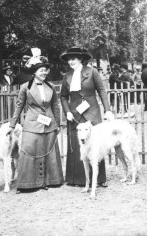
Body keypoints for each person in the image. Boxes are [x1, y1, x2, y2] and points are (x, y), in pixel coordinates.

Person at [7, 49, 64, 192]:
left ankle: (51, 180)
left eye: (45, 71)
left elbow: (55, 106)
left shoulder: (50, 86)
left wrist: (56, 124)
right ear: (34, 73)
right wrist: (12, 124)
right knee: (29, 152)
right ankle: (28, 183)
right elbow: (19, 106)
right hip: (32, 124)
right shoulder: (25, 87)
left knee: (49, 152)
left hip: (49, 124)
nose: (44, 73)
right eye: (41, 71)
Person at [59, 46, 114, 187]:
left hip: (92, 114)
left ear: (80, 59)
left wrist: (107, 110)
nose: (70, 61)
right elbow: (63, 97)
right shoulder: (67, 76)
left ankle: (99, 179)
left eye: (73, 58)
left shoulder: (92, 72)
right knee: (77, 147)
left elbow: (101, 90)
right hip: (75, 115)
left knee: (95, 145)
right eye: (68, 59)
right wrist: (67, 112)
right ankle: (76, 179)